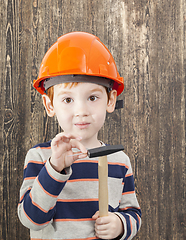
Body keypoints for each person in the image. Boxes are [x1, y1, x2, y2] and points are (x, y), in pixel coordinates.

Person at [18, 31, 141, 240]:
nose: (81, 110)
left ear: (110, 101)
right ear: (49, 105)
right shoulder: (39, 157)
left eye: (92, 97)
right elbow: (31, 220)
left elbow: (133, 214)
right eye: (67, 100)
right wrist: (55, 169)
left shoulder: (119, 161)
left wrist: (120, 225)